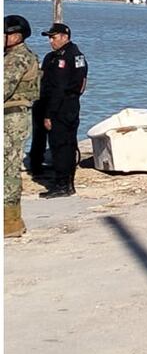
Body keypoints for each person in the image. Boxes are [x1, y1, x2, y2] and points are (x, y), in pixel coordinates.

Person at [38, 23, 88, 198]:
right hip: (68, 105)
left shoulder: (67, 57)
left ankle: (62, 185)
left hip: (61, 106)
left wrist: (49, 114)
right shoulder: (63, 56)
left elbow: (60, 88)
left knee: (61, 146)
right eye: (49, 38)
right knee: (66, 145)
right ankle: (66, 183)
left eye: (54, 37)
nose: (51, 41)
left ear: (65, 37)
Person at [4, 15, 39, 237]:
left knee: (7, 169)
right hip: (11, 115)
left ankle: (10, 222)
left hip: (12, 117)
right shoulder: (11, 56)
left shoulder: (17, 59)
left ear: (15, 36)